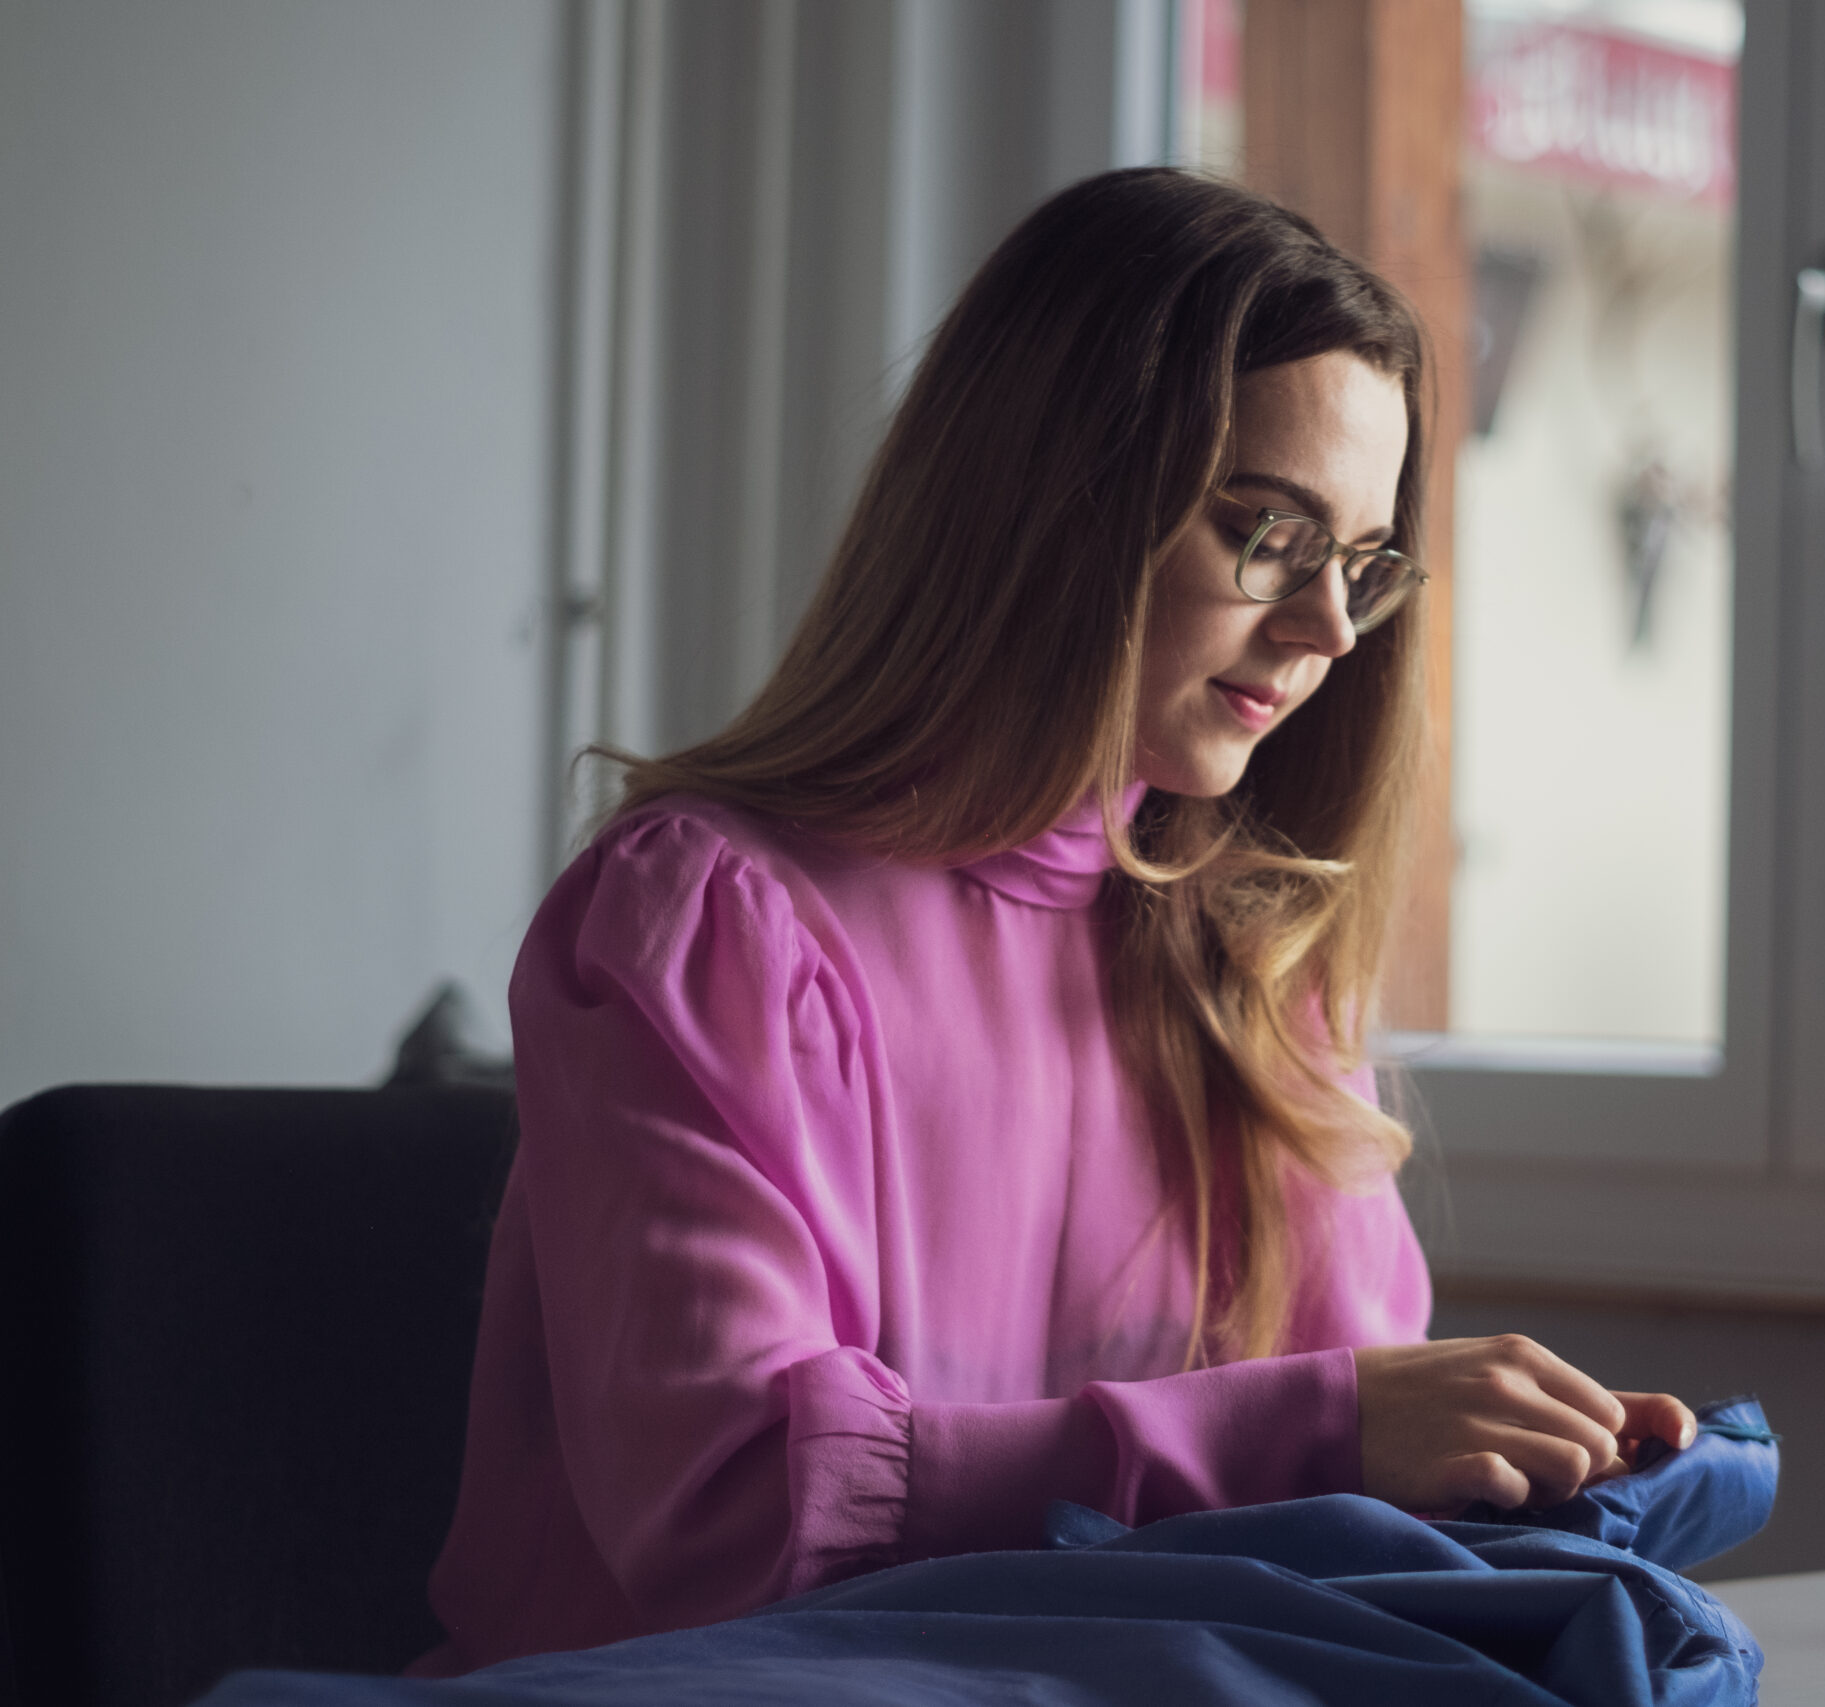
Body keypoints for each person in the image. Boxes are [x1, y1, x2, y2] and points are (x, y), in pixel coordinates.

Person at [415, 167, 1697, 1676]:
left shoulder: (1254, 967)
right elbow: (728, 1515)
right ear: (1056, 497)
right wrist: (1327, 1426)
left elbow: (1348, 1524)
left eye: (1360, 564)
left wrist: (1508, 1464)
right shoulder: (709, 921)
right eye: (1267, 534)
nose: (1330, 631)